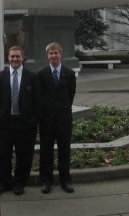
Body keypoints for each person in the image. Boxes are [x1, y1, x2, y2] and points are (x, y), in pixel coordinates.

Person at [0, 46, 40, 195]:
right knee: (2, 155)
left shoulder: (32, 77)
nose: (15, 59)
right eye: (12, 56)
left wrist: (33, 121)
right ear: (8, 57)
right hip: (4, 124)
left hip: (25, 124)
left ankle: (19, 183)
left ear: (23, 57)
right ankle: (5, 183)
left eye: (18, 56)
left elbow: (37, 102)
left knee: (24, 156)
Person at [37, 42, 76, 194]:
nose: (54, 56)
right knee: (46, 151)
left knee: (64, 150)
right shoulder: (41, 74)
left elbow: (70, 95)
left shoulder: (69, 73)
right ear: (47, 55)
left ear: (61, 54)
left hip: (63, 119)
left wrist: (63, 109)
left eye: (56, 53)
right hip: (46, 120)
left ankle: (65, 180)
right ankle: (46, 181)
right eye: (51, 53)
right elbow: (39, 97)